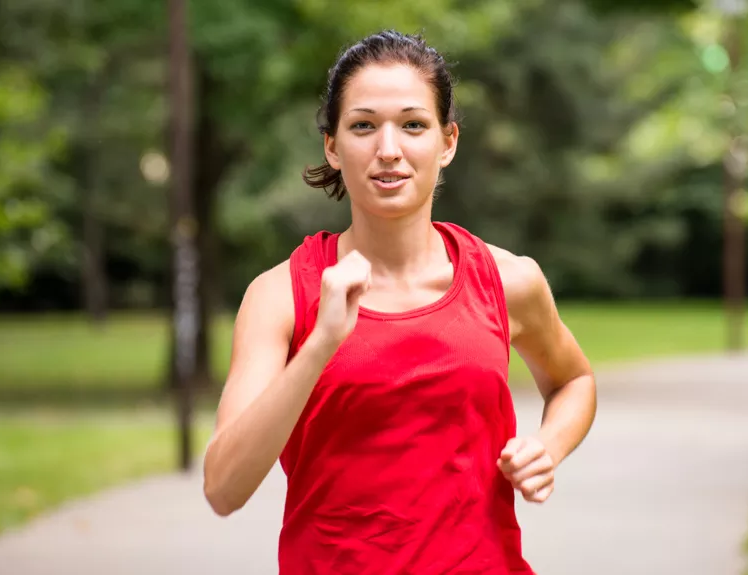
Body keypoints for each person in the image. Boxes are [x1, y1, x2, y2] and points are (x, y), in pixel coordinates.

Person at [202, 30, 597, 574]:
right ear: (333, 147)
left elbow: (574, 381)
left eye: (413, 124)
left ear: (448, 141)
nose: (389, 149)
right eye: (363, 126)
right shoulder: (281, 296)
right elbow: (224, 488)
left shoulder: (509, 280)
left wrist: (547, 448)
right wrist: (319, 347)